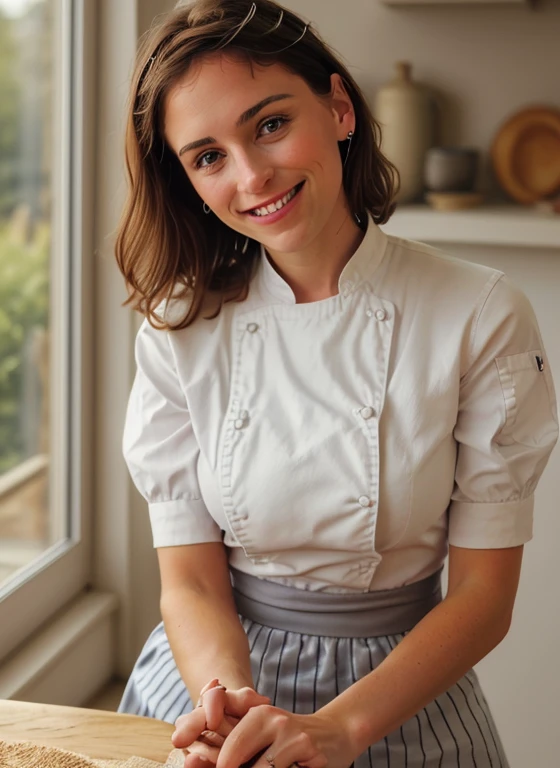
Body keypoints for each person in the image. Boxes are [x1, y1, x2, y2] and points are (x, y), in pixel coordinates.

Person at [115, 1, 558, 767]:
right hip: (209, 691)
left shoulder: (480, 313)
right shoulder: (178, 324)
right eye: (208, 156)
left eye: (270, 124)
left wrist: (338, 729)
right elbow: (188, 582)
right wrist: (232, 710)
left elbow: (485, 600)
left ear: (340, 107)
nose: (253, 176)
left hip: (401, 702)